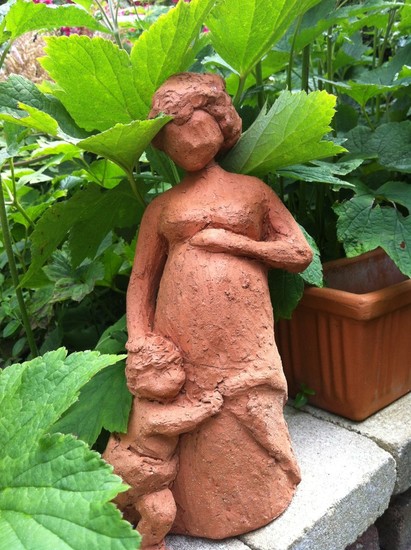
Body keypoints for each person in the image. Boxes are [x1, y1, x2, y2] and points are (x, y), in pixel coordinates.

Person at [104, 72, 313, 550]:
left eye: (196, 123)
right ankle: (196, 509)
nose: (188, 139)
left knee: (247, 404)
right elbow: (141, 281)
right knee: (192, 412)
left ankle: (261, 493)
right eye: (173, 132)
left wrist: (233, 242)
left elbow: (299, 253)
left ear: (221, 122)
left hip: (244, 332)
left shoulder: (252, 191)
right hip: (178, 338)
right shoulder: (162, 207)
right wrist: (140, 340)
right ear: (162, 143)